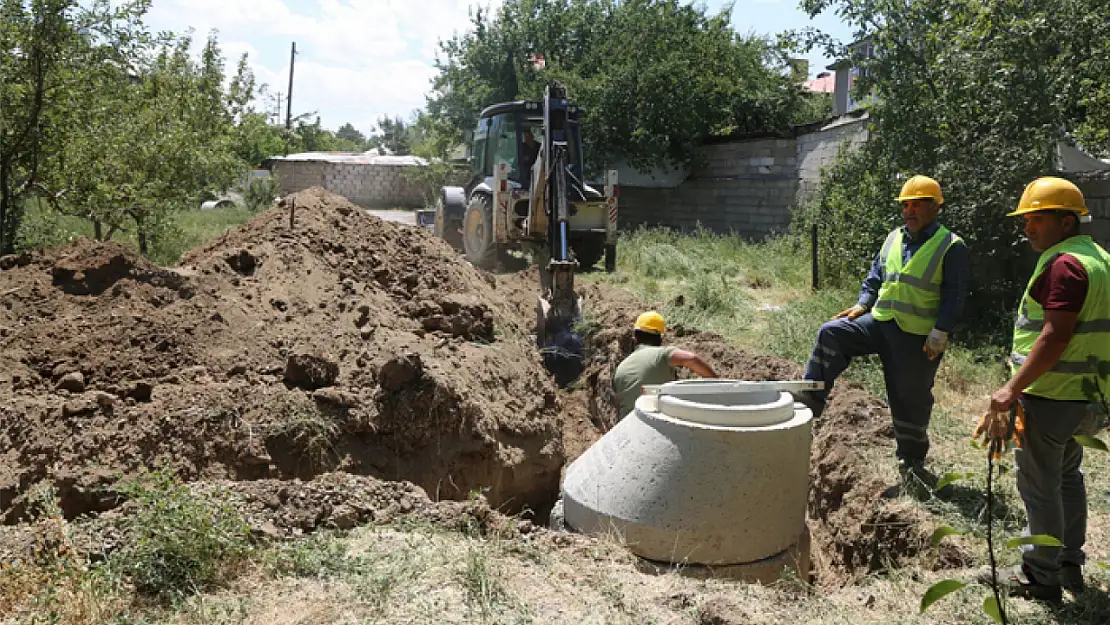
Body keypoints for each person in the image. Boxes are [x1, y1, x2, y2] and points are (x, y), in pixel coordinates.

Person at [977, 176, 1110, 602]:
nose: (1028, 227)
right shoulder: (1100, 260)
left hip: (1052, 396)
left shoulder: (1065, 265)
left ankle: (1041, 575)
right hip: (1089, 395)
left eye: (1037, 218)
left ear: (1067, 222)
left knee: (1039, 484)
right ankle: (1069, 560)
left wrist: (1010, 389)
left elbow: (1054, 336)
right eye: (1026, 219)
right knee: (1067, 476)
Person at [796, 174, 970, 494]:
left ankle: (911, 461)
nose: (910, 211)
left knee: (909, 398)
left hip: (917, 337)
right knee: (832, 333)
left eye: (917, 205)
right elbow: (875, 276)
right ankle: (810, 401)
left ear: (935, 208)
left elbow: (955, 294)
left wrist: (941, 331)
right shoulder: (894, 238)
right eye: (906, 205)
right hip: (880, 321)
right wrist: (863, 303)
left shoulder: (951, 246)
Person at [612, 311, 717, 420]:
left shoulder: (620, 369)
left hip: (628, 428)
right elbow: (691, 359)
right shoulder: (662, 354)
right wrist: (718, 383)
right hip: (657, 425)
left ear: (635, 339)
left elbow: (619, 405)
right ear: (661, 339)